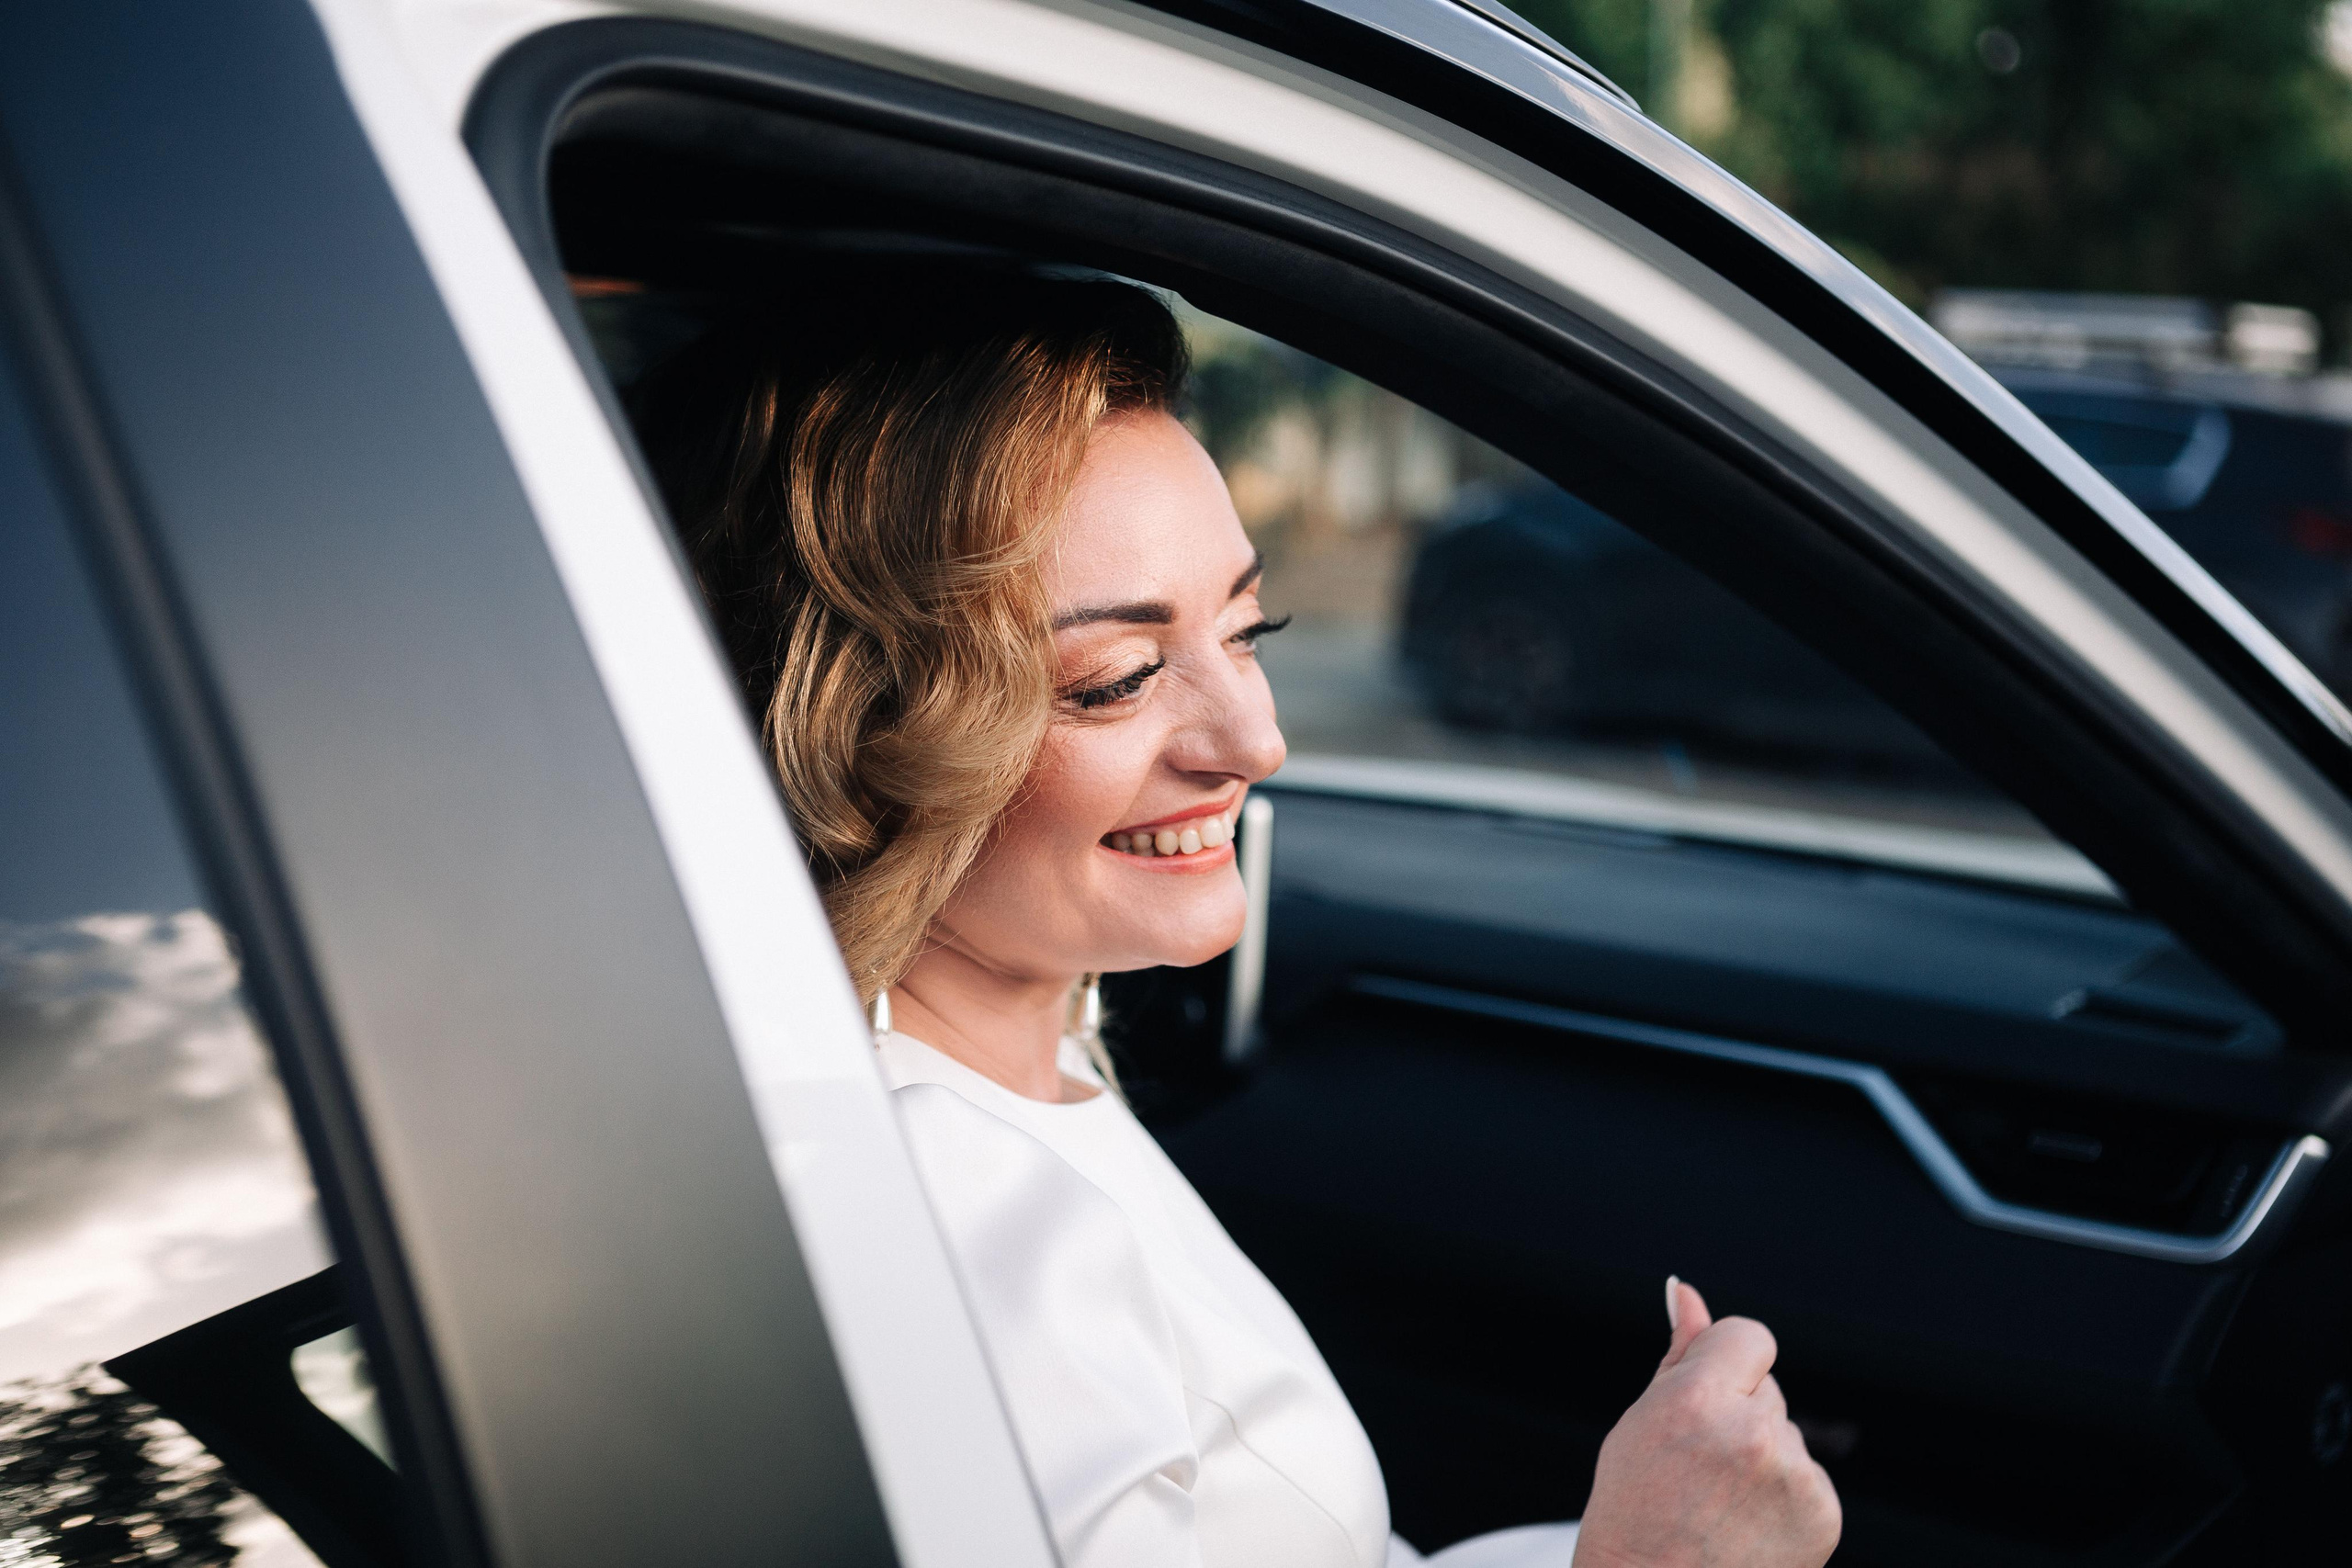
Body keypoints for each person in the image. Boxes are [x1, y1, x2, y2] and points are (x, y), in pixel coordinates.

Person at [640, 270, 1841, 1568]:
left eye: (1248, 628)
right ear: (858, 736)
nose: (1255, 740)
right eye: (1120, 678)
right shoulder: (956, 1234)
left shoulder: (1021, 1064)